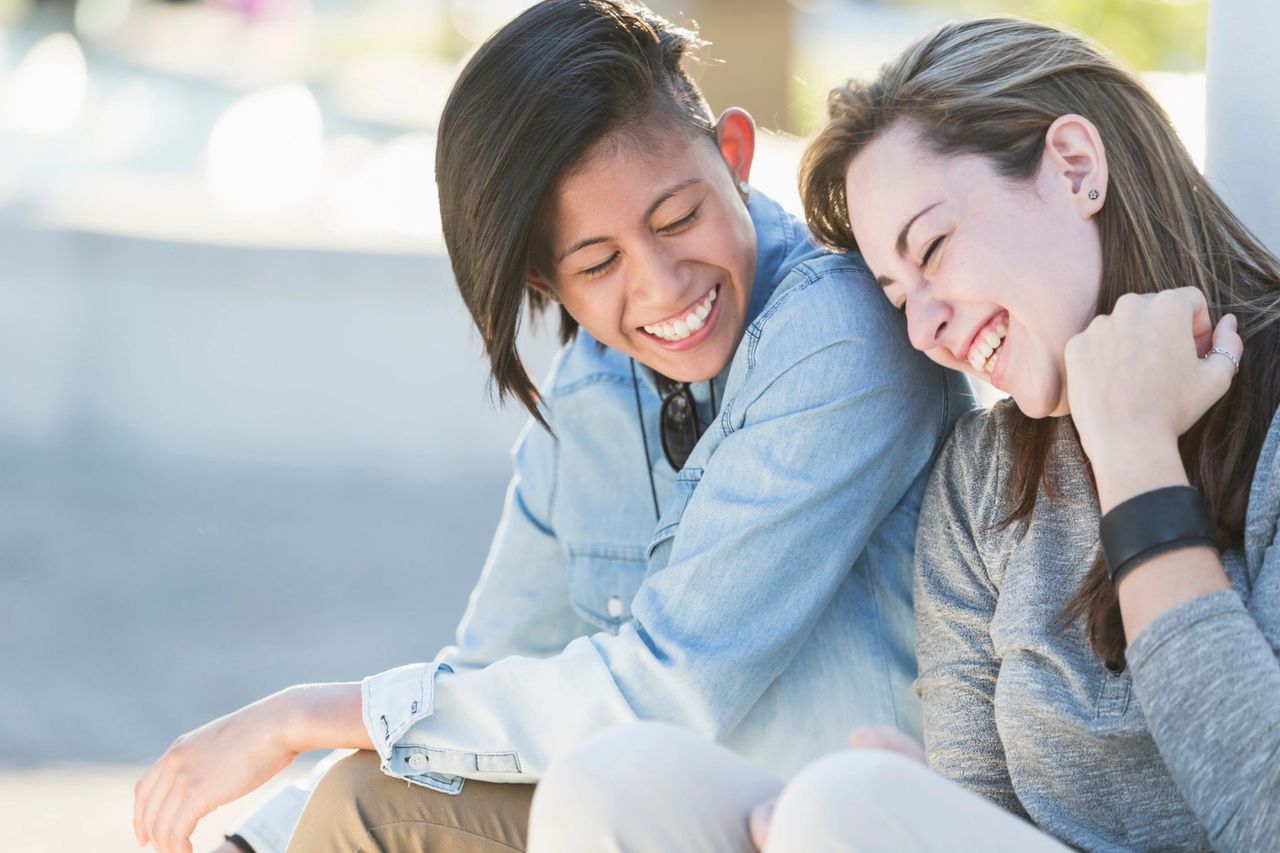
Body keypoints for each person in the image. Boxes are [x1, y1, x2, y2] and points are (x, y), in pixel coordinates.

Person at [131, 2, 961, 851]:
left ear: (736, 158)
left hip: (831, 825)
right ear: (544, 278)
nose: (664, 286)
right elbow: (489, 669)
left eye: (677, 218)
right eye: (598, 263)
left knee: (368, 803)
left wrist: (299, 716)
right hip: (647, 817)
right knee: (364, 794)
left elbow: (664, 689)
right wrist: (257, 837)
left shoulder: (840, 336)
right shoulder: (591, 385)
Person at [525, 16, 1280, 853]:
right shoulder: (982, 482)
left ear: (1075, 167)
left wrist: (1135, 454)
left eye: (934, 248)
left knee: (848, 804)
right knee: (615, 787)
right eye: (895, 295)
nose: (924, 328)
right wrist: (911, 810)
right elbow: (981, 811)